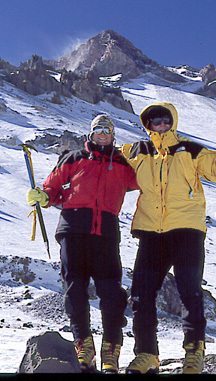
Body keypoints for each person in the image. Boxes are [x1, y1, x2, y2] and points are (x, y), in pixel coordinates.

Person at [121, 102, 216, 374]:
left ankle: (193, 353)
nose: (160, 125)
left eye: (164, 120)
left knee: (190, 293)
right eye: (154, 121)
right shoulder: (138, 151)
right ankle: (147, 354)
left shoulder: (190, 149)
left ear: (172, 121)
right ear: (147, 124)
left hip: (186, 230)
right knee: (140, 295)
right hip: (152, 232)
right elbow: (107, 162)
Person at [26, 115, 139, 374]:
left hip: (106, 233)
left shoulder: (122, 164)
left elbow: (144, 182)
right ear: (90, 133)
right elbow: (53, 189)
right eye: (97, 129)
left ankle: (111, 348)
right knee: (75, 289)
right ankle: (83, 346)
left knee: (111, 292)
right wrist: (43, 196)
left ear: (113, 134)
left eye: (106, 130)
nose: (101, 133)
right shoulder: (74, 158)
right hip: (73, 228)